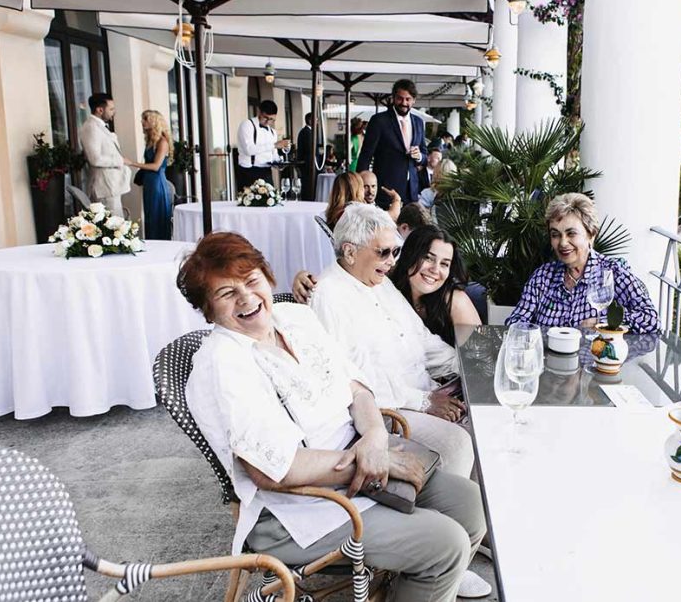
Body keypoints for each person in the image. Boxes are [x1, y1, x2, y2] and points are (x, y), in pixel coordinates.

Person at [179, 232, 487, 602]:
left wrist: (374, 437)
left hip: (364, 467)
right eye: (226, 294)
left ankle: (420, 587)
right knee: (446, 545)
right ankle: (428, 576)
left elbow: (357, 388)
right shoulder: (222, 363)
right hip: (299, 509)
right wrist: (372, 460)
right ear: (207, 309)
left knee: (471, 506)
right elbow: (275, 469)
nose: (246, 298)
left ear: (267, 276)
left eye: (251, 281)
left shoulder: (295, 317)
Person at [309, 204, 474, 477]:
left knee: (489, 428)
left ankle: (479, 514)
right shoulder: (328, 295)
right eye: (383, 252)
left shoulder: (380, 283)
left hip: (425, 391)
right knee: (459, 443)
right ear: (349, 252)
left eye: (395, 251)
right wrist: (424, 401)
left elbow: (422, 339)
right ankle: (448, 514)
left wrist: (466, 368)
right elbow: (351, 380)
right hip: (385, 411)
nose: (392, 261)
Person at [506, 193, 660, 333]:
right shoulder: (543, 276)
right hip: (548, 359)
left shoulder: (611, 273)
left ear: (591, 234)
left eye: (571, 233)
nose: (563, 243)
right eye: (555, 235)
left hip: (593, 360)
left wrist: (603, 322)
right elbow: (515, 321)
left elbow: (651, 318)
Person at [391, 225, 481, 348]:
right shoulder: (387, 289)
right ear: (410, 256)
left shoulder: (455, 300)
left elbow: (481, 360)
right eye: (428, 258)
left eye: (444, 264)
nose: (435, 269)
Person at [355, 80, 427, 205]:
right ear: (393, 98)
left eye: (408, 99)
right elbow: (366, 155)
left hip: (412, 192)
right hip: (386, 191)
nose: (404, 103)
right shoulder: (379, 121)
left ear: (414, 100)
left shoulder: (419, 122)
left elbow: (425, 156)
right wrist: (358, 188)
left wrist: (419, 156)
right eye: (400, 98)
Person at [80, 92, 131, 214]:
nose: (114, 112)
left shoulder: (100, 126)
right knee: (114, 227)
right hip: (104, 188)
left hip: (111, 187)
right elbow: (95, 159)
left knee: (118, 226)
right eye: (111, 109)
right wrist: (121, 161)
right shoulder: (91, 127)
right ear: (100, 110)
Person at [128, 110, 173, 240]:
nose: (142, 122)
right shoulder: (151, 141)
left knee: (156, 217)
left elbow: (156, 166)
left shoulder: (162, 142)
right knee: (149, 216)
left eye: (146, 119)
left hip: (157, 183)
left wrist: (132, 163)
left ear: (154, 122)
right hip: (149, 182)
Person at [237, 100, 288, 190]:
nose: (268, 122)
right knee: (250, 202)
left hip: (266, 172)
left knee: (271, 201)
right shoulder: (247, 125)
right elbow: (249, 150)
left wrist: (279, 163)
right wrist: (274, 145)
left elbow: (273, 154)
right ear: (259, 112)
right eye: (266, 118)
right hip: (249, 171)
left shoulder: (273, 132)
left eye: (272, 119)